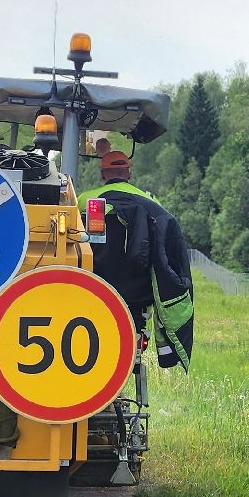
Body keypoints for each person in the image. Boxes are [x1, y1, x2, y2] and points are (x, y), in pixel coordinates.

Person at [80, 148, 195, 370]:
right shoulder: (153, 203)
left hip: (93, 288)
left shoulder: (86, 200)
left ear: (103, 174)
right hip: (139, 295)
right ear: (129, 174)